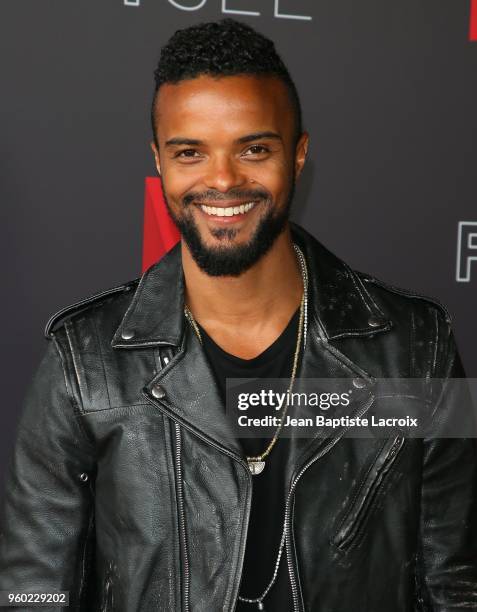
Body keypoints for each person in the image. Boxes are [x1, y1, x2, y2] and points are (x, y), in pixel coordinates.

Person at [1, 18, 476, 612]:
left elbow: (457, 581)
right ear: (159, 160)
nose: (222, 180)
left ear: (298, 155)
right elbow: (31, 590)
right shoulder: (85, 362)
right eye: (190, 152)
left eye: (254, 148)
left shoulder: (417, 348)